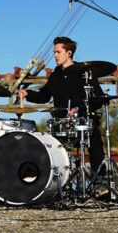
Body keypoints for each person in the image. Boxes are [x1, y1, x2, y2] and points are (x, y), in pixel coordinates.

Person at [18, 36, 107, 174]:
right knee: (46, 146)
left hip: (83, 120)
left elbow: (99, 98)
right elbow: (44, 95)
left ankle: (100, 182)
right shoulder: (56, 75)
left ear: (69, 53)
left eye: (58, 52)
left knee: (94, 140)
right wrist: (28, 93)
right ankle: (51, 182)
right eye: (54, 52)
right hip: (60, 123)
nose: (55, 55)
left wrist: (79, 109)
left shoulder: (85, 72)